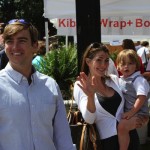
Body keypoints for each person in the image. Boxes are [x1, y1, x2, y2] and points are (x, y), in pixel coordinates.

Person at [0, 19, 74, 150]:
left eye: (22, 41)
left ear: (35, 45)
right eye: (9, 41)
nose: (15, 47)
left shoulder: (50, 85)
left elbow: (63, 138)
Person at [73, 42, 142, 150]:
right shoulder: (80, 85)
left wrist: (139, 117)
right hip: (106, 143)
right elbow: (89, 119)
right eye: (99, 60)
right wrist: (91, 97)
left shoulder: (114, 79)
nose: (103, 65)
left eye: (106, 61)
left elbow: (133, 99)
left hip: (129, 137)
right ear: (88, 61)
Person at [116, 49, 149, 150]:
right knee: (123, 128)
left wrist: (131, 112)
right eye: (123, 63)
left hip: (139, 114)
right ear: (118, 66)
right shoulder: (120, 79)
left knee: (122, 127)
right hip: (129, 114)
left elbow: (142, 97)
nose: (126, 66)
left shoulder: (138, 79)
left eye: (130, 63)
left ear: (136, 65)